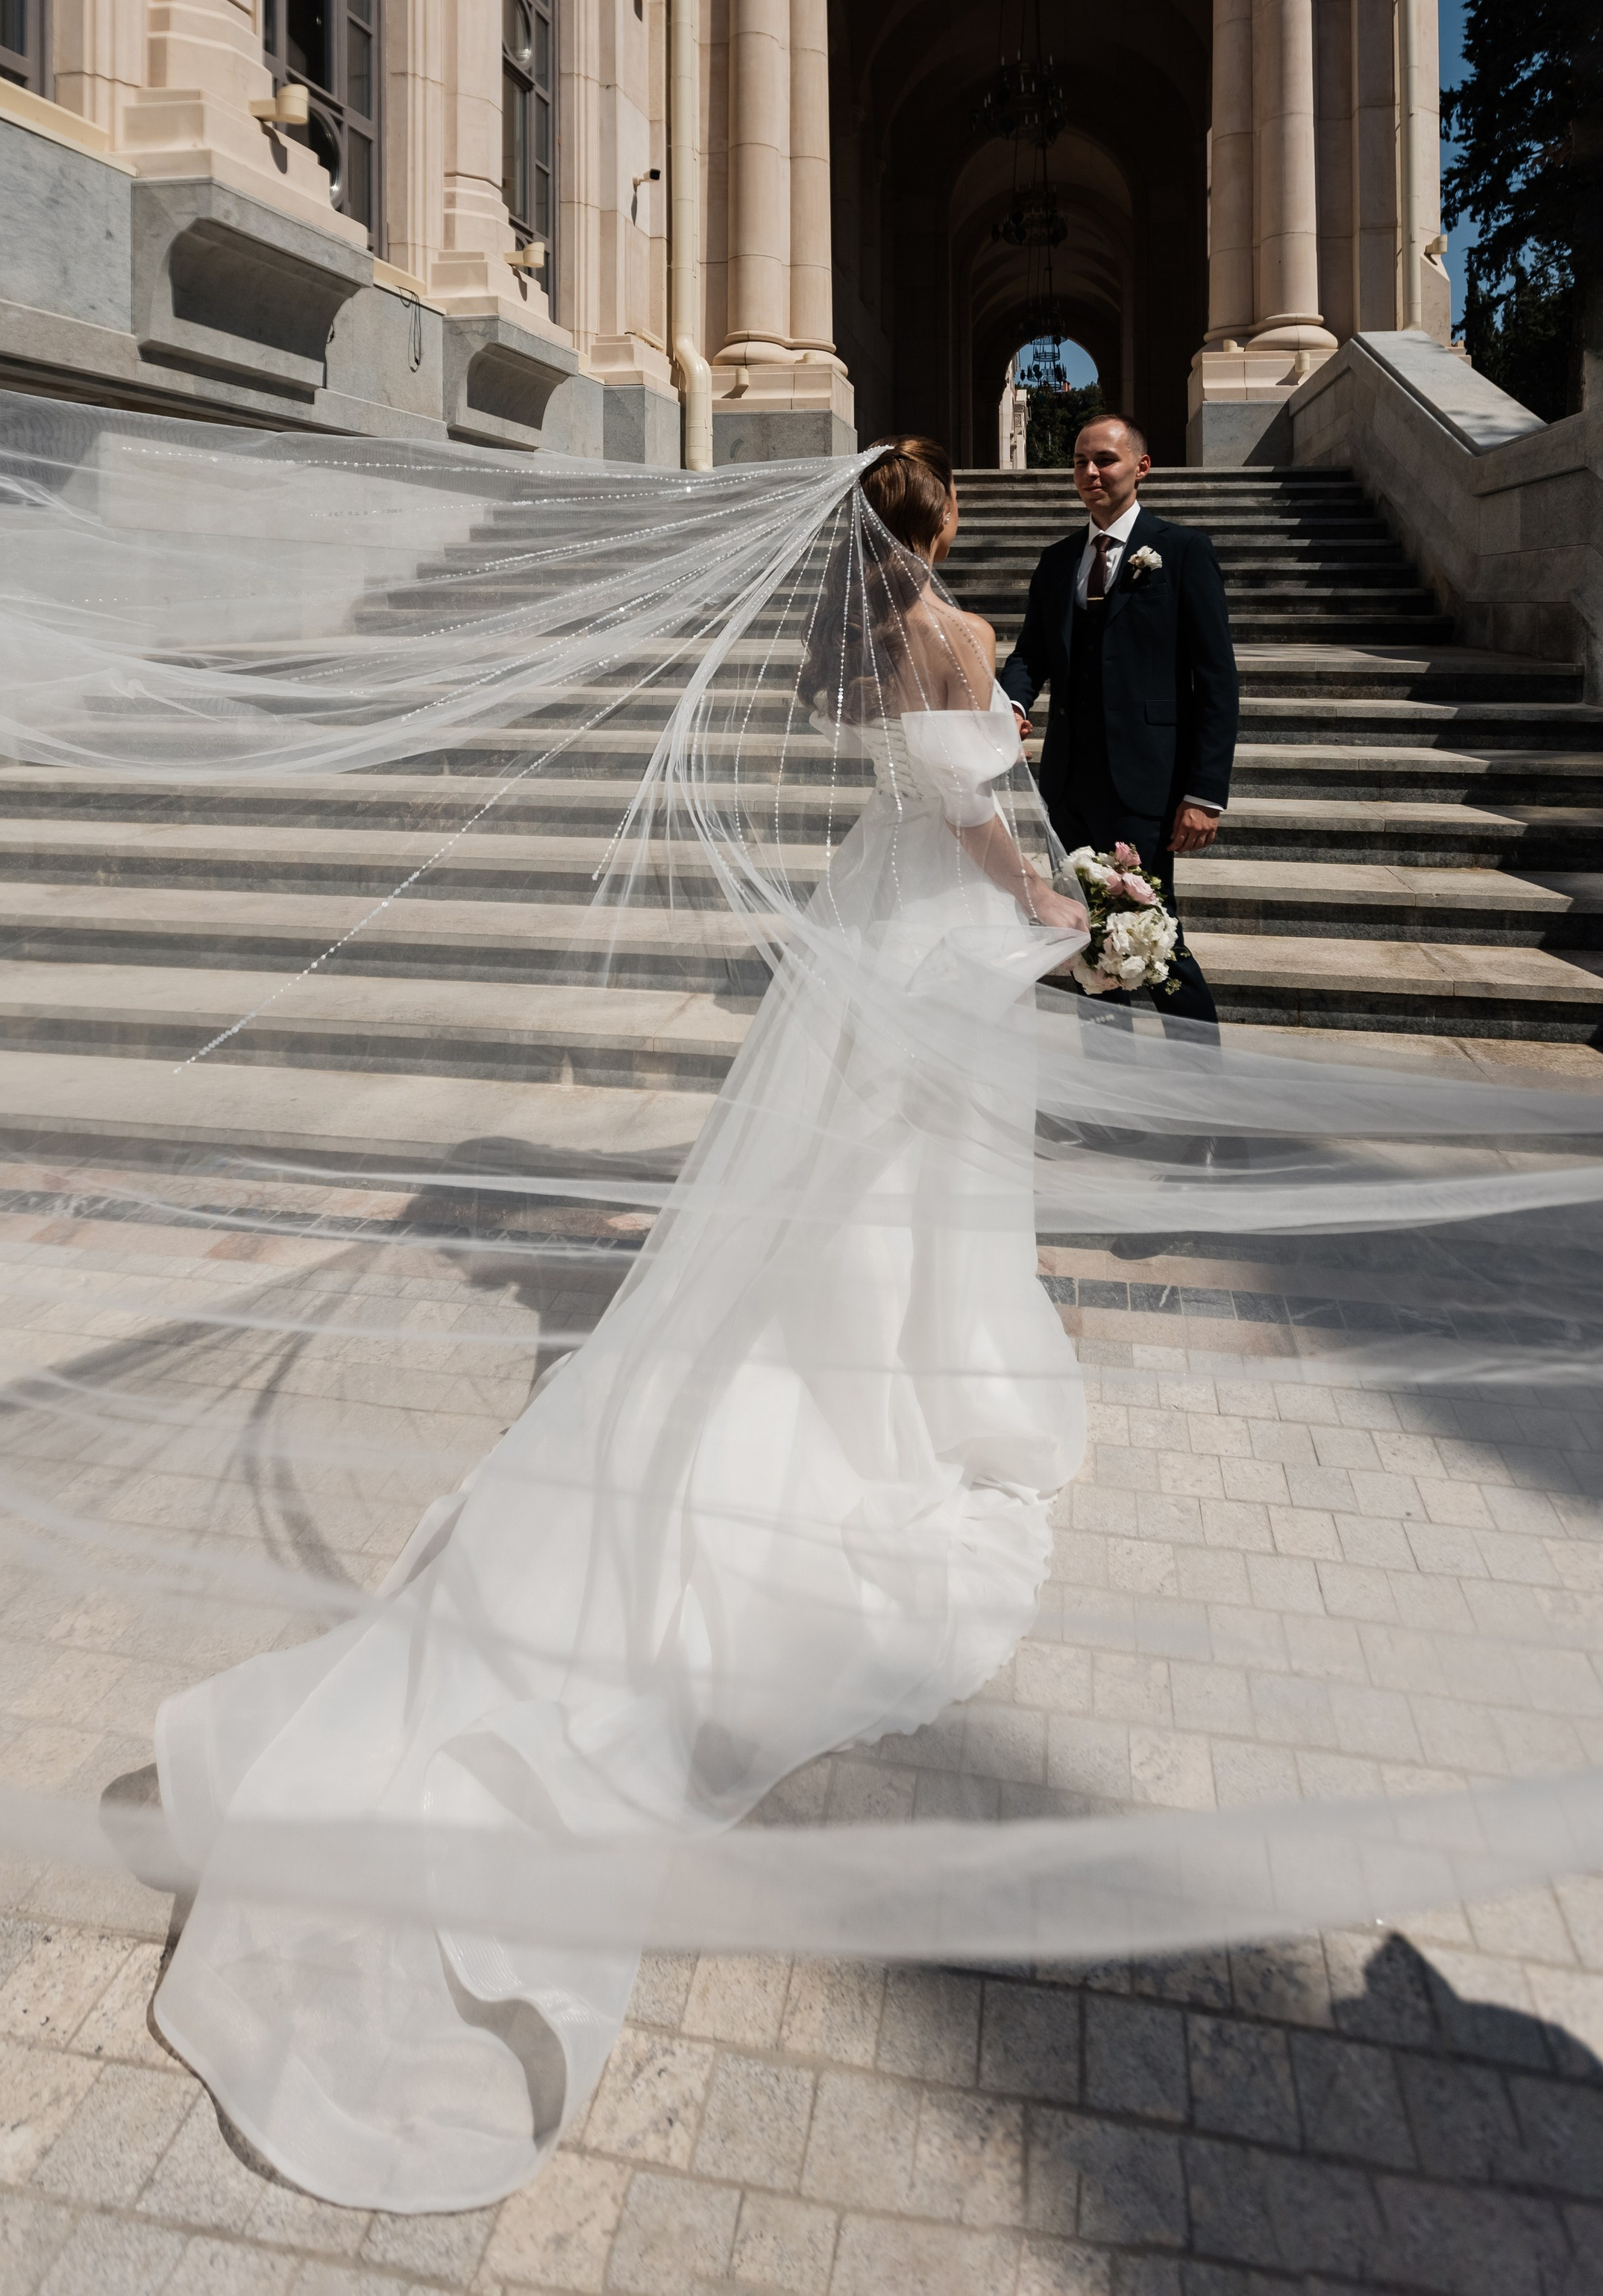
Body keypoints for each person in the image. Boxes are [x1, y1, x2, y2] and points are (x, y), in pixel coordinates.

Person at [148, 434, 1092, 2214]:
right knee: (920, 1196)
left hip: (858, 936)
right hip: (941, 933)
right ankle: (900, 1407)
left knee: (846, 1198)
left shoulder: (843, 644)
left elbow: (903, 771)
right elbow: (975, 812)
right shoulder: (954, 635)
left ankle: (856, 1369)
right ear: (940, 520)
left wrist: (993, 808)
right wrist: (1055, 895)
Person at [996, 412, 1237, 1029]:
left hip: (1147, 786)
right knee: (1086, 942)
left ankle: (1204, 1096)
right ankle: (1109, 1110)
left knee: (1156, 941)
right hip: (1071, 786)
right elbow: (1032, 653)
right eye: (1080, 461)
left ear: (1141, 467)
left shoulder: (1182, 551)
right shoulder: (1056, 562)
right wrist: (1013, 704)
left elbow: (1216, 682)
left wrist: (1204, 793)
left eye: (1104, 459)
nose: (1090, 472)